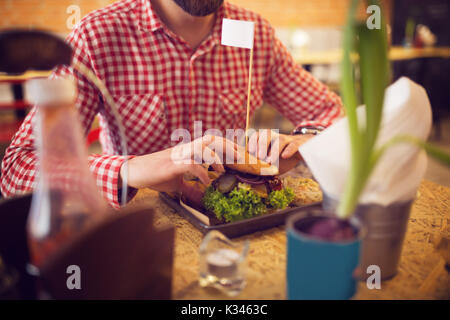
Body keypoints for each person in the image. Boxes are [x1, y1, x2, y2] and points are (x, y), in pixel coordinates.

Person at [1, 0, 342, 208]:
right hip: (141, 233)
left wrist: (306, 140)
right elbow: (17, 169)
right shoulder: (97, 36)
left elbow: (331, 113)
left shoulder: (256, 34)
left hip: (234, 229)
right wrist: (130, 170)